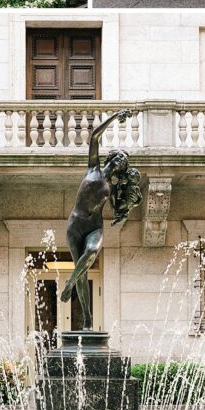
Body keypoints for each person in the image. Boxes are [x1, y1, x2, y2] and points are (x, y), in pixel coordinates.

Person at [59, 109, 141, 329]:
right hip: (76, 225)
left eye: (124, 163)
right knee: (83, 272)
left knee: (92, 252)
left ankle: (69, 285)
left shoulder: (112, 186)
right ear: (111, 157)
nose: (121, 163)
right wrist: (115, 117)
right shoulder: (92, 167)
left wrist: (126, 206)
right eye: (119, 158)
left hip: (95, 226)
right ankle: (86, 318)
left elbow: (117, 208)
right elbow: (95, 135)